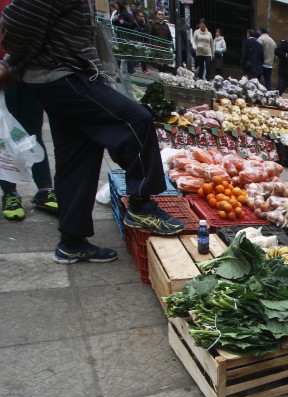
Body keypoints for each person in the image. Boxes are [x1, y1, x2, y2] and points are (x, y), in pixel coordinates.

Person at [0, 0, 186, 263]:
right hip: (63, 76)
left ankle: (72, 242)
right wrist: (13, 64)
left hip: (56, 77)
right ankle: (141, 205)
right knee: (136, 121)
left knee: (78, 154)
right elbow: (18, 22)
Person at [0, 0, 57, 221]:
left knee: (33, 130)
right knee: (5, 134)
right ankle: (10, 193)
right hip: (3, 72)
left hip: (30, 68)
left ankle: (44, 189)